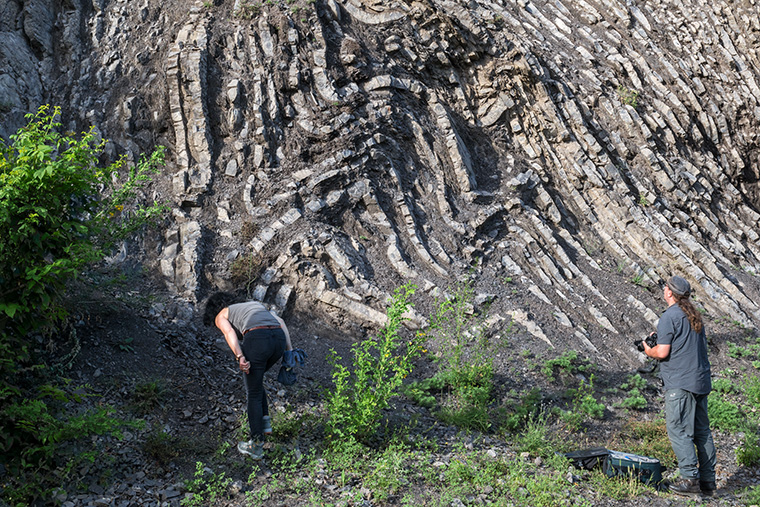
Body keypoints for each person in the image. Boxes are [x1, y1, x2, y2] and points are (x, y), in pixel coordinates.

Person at [642, 276, 716, 496]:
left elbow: (662, 352)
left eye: (665, 287)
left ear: (669, 293)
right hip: (700, 381)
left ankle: (689, 479)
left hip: (681, 383)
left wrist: (648, 349)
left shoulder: (669, 316)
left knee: (679, 430)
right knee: (702, 432)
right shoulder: (694, 315)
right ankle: (708, 482)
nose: (664, 289)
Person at [203, 292, 292, 460]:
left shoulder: (221, 314)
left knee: (253, 392)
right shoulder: (254, 306)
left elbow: (229, 332)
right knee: (256, 382)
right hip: (278, 339)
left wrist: (240, 356)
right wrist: (290, 352)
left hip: (258, 338)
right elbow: (281, 322)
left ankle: (256, 445)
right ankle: (264, 422)